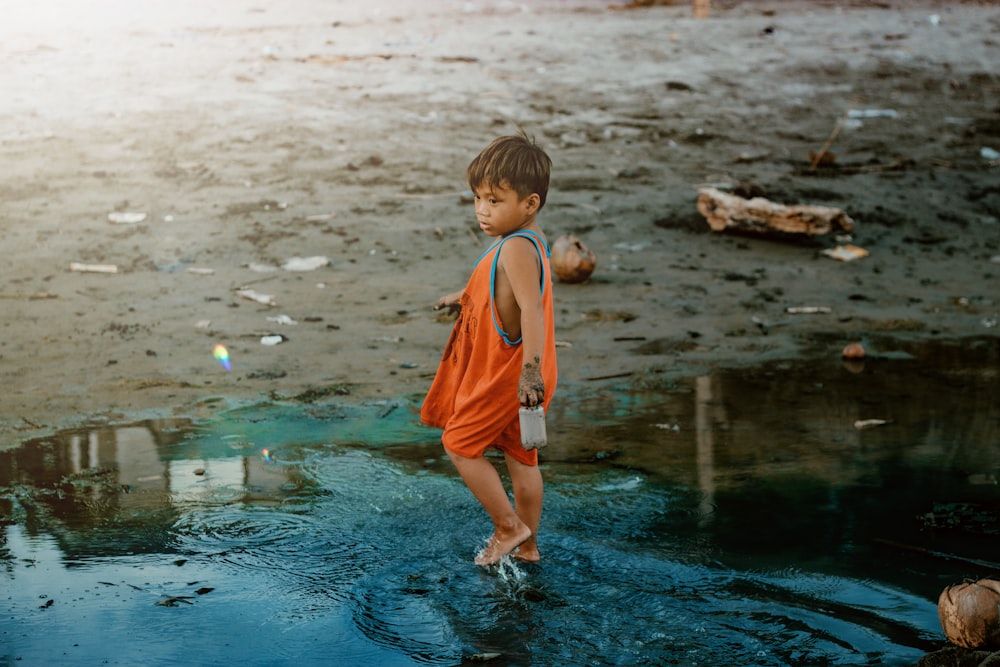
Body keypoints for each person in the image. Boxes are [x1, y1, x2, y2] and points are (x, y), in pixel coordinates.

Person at [421, 133, 558, 566]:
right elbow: (503, 293)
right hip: (524, 373)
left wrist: (529, 373)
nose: (482, 209)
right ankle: (530, 547)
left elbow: (531, 312)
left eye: (495, 201)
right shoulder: (527, 241)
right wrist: (461, 296)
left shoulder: (517, 247)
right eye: (478, 198)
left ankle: (508, 527)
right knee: (522, 457)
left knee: (459, 443)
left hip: (511, 374)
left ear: (530, 203)